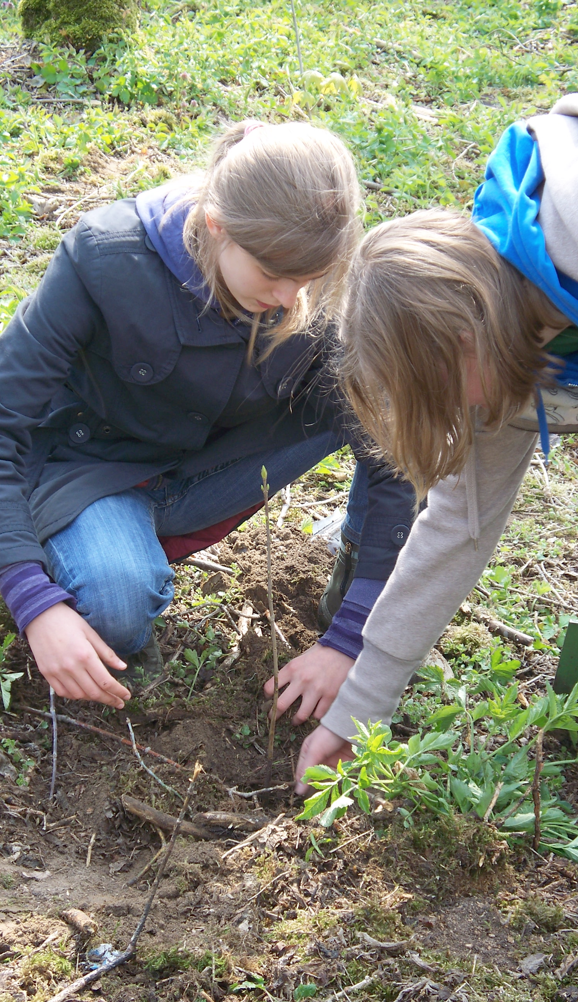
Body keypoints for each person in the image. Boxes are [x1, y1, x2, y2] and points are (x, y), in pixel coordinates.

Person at [294, 49, 578, 856]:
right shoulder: (507, 339)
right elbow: (458, 523)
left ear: (463, 333)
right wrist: (359, 705)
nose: (466, 414)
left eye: (445, 394)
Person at [0, 118, 414, 710]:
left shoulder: (316, 288)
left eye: (310, 280)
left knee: (395, 402)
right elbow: (4, 419)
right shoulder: (108, 259)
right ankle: (64, 544)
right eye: (272, 275)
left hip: (217, 466)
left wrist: (353, 638)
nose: (287, 299)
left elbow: (393, 452)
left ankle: (352, 566)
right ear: (217, 226)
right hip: (91, 471)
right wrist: (30, 598)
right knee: (113, 613)